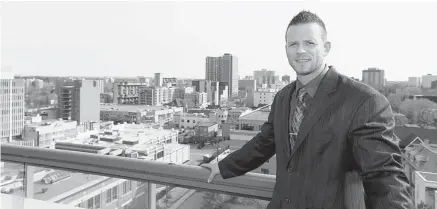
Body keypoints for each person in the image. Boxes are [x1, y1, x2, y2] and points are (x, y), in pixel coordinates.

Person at [201, 10, 414, 209]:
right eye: (293, 44)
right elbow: (264, 143)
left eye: (309, 43)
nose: (300, 50)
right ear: (286, 49)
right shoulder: (283, 97)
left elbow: (384, 176)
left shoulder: (363, 100)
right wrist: (222, 166)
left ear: (326, 47)